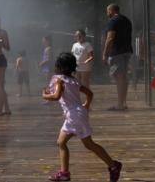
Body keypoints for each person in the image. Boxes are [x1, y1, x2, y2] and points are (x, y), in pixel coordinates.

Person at [42, 52, 122, 182]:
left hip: (74, 116)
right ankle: (65, 172)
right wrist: (86, 105)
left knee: (87, 144)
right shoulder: (74, 81)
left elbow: (56, 96)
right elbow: (90, 93)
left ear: (59, 67)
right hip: (76, 114)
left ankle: (113, 166)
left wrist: (44, 95)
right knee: (63, 142)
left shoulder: (59, 80)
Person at [103, 4, 133, 111]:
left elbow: (110, 38)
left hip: (117, 52)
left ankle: (120, 104)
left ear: (111, 10)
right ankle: (123, 103)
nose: (107, 13)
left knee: (119, 78)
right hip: (127, 51)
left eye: (107, 11)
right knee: (123, 77)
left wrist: (105, 54)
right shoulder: (126, 20)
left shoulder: (113, 21)